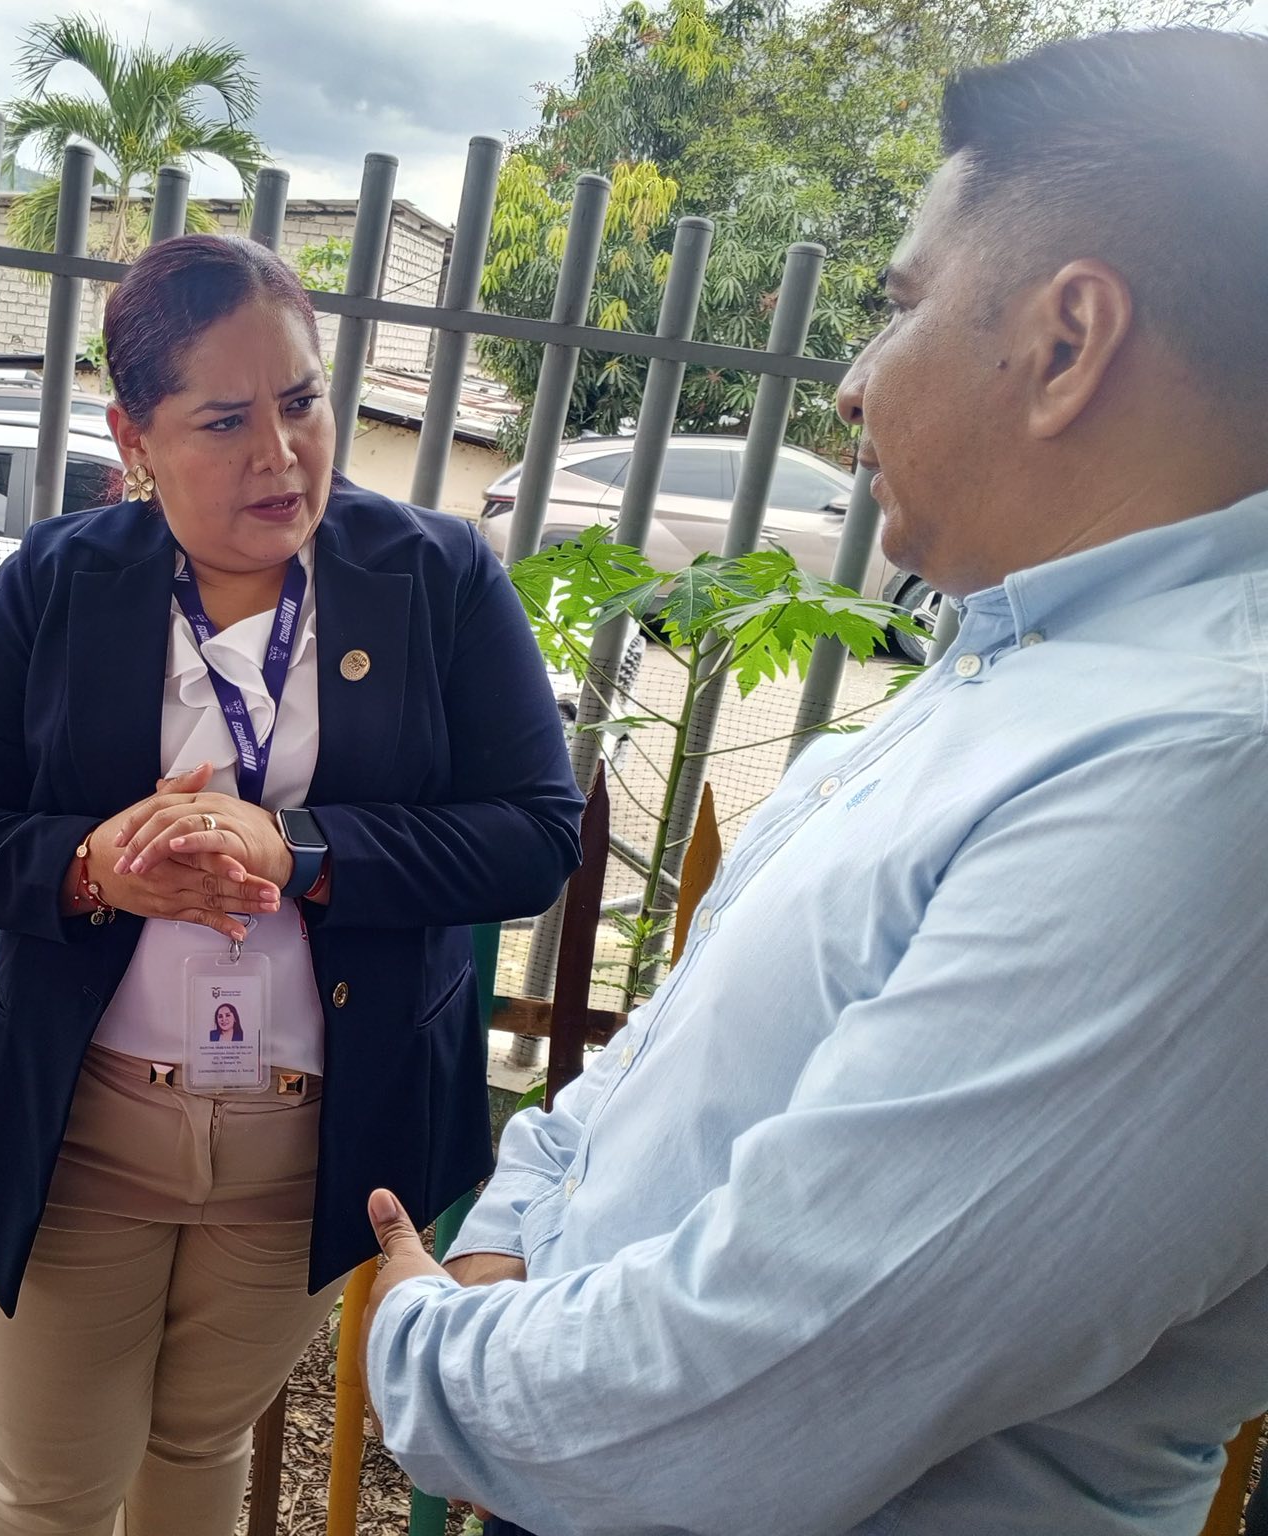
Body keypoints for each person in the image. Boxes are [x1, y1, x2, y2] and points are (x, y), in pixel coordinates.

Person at [363, 26, 1268, 1536]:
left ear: (1068, 343)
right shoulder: (1010, 681)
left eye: (900, 308)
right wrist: (510, 1238)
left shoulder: (1200, 781)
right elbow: (668, 1061)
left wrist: (431, 1350)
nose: (851, 389)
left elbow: (765, 1378)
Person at [0, 233, 582, 1536]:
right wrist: (87, 868)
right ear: (133, 437)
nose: (281, 454)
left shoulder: (436, 578)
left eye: (302, 401)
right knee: (44, 1487)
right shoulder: (59, 581)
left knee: (198, 1451)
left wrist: (298, 848)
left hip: (304, 1141)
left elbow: (536, 837)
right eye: (224, 419)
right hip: (83, 1127)